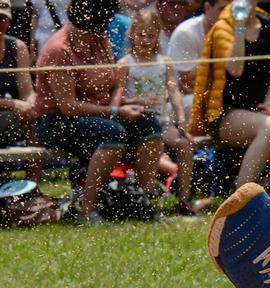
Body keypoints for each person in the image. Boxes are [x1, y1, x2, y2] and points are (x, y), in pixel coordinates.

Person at [33, 0, 164, 223]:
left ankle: (142, 199)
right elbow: (69, 106)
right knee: (112, 133)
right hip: (56, 122)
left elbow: (112, 83)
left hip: (99, 115)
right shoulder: (58, 50)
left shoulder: (98, 39)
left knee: (150, 126)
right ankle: (87, 211)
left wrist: (125, 104)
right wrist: (114, 112)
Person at [188, 1, 270, 203]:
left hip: (258, 108)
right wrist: (239, 28)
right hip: (225, 112)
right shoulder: (223, 28)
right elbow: (235, 70)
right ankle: (239, 200)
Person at [114, 6, 196, 212]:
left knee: (185, 145)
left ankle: (183, 201)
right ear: (132, 34)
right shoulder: (126, 63)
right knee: (153, 141)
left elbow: (174, 92)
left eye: (150, 36)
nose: (145, 40)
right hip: (137, 122)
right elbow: (118, 99)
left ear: (157, 36)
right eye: (141, 35)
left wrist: (181, 122)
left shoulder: (164, 62)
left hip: (161, 119)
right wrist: (136, 100)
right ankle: (146, 194)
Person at [168, 0, 230, 108]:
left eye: (231, 10)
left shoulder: (237, 31)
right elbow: (187, 83)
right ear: (207, 7)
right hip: (182, 97)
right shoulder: (186, 32)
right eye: (222, 9)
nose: (227, 15)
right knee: (194, 103)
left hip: (221, 93)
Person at [0, 0, 35, 147]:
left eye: (2, 19)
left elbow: (27, 91)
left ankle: (34, 169)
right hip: (6, 112)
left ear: (9, 20)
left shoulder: (18, 47)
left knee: (35, 115)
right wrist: (13, 105)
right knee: (10, 118)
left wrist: (31, 104)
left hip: (5, 114)